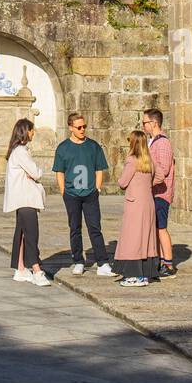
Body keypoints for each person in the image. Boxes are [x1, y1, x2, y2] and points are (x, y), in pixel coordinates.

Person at [52, 112, 115, 276]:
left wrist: (97, 188)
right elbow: (59, 171)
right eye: (79, 127)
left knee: (95, 227)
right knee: (75, 228)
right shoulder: (63, 148)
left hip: (90, 194)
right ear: (71, 128)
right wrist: (63, 191)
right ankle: (78, 261)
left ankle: (102, 262)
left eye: (84, 126)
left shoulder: (93, 146)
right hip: (71, 194)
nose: (82, 130)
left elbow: (99, 168)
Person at [112, 130, 163, 287]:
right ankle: (146, 273)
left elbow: (123, 182)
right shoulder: (149, 160)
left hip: (135, 203)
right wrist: (146, 185)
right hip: (148, 201)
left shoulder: (132, 160)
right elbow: (160, 176)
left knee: (133, 238)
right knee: (146, 238)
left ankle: (134, 275)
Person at [4, 118, 51, 287]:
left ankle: (20, 268)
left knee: (22, 233)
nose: (33, 133)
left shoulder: (17, 151)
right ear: (25, 131)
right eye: (31, 130)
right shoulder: (21, 152)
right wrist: (37, 171)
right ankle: (36, 270)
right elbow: (36, 172)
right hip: (25, 199)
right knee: (31, 234)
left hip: (22, 198)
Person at [142, 107, 177, 277]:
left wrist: (146, 183)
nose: (143, 126)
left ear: (154, 123)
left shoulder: (162, 143)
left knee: (161, 228)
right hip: (153, 193)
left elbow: (161, 171)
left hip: (160, 194)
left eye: (145, 123)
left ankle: (168, 264)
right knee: (156, 228)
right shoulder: (153, 141)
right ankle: (160, 261)